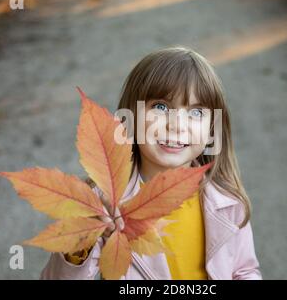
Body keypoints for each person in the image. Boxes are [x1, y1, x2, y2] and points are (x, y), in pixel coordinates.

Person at [40, 46, 262, 280]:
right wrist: (81, 238)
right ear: (130, 119)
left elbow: (243, 270)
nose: (177, 125)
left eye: (196, 112)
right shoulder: (105, 205)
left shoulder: (227, 204)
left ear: (211, 130)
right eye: (161, 107)